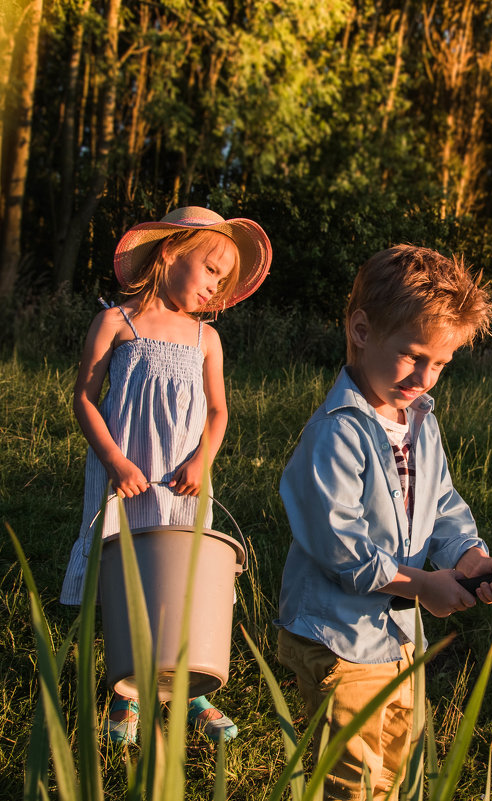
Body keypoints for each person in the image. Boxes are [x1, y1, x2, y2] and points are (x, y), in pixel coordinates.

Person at [275, 244, 492, 800]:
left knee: (396, 763)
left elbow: (441, 506)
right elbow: (342, 548)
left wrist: (469, 558)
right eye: (414, 355)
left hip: (397, 635)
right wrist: (423, 586)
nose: (425, 377)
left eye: (440, 364)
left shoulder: (419, 421)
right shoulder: (336, 433)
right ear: (362, 330)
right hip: (339, 637)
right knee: (351, 779)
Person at [61, 206, 272, 745]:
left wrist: (202, 461)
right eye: (209, 270)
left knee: (182, 577)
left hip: (180, 479)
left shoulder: (205, 339)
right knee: (126, 572)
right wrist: (114, 460)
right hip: (128, 475)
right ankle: (125, 689)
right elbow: (85, 398)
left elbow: (219, 412)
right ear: (171, 253)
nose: (214, 288)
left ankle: (189, 684)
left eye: (221, 281)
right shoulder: (117, 322)